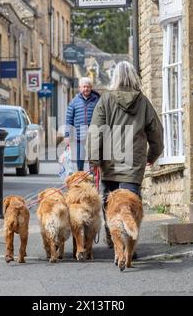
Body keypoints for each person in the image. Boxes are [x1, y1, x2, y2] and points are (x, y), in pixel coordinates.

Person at [87, 61, 164, 248]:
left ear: (115, 78)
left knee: (110, 204)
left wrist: (94, 160)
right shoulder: (143, 101)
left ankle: (113, 241)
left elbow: (96, 131)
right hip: (133, 164)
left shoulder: (105, 100)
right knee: (130, 207)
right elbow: (157, 133)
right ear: (133, 77)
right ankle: (129, 245)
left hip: (108, 163)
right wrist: (151, 156)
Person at [65, 77, 100, 171]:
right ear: (80, 88)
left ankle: (92, 179)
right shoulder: (74, 102)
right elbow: (69, 119)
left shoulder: (97, 100)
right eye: (84, 87)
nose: (86, 89)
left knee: (93, 159)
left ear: (91, 87)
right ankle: (81, 178)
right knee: (80, 159)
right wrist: (67, 135)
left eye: (88, 87)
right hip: (79, 136)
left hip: (93, 136)